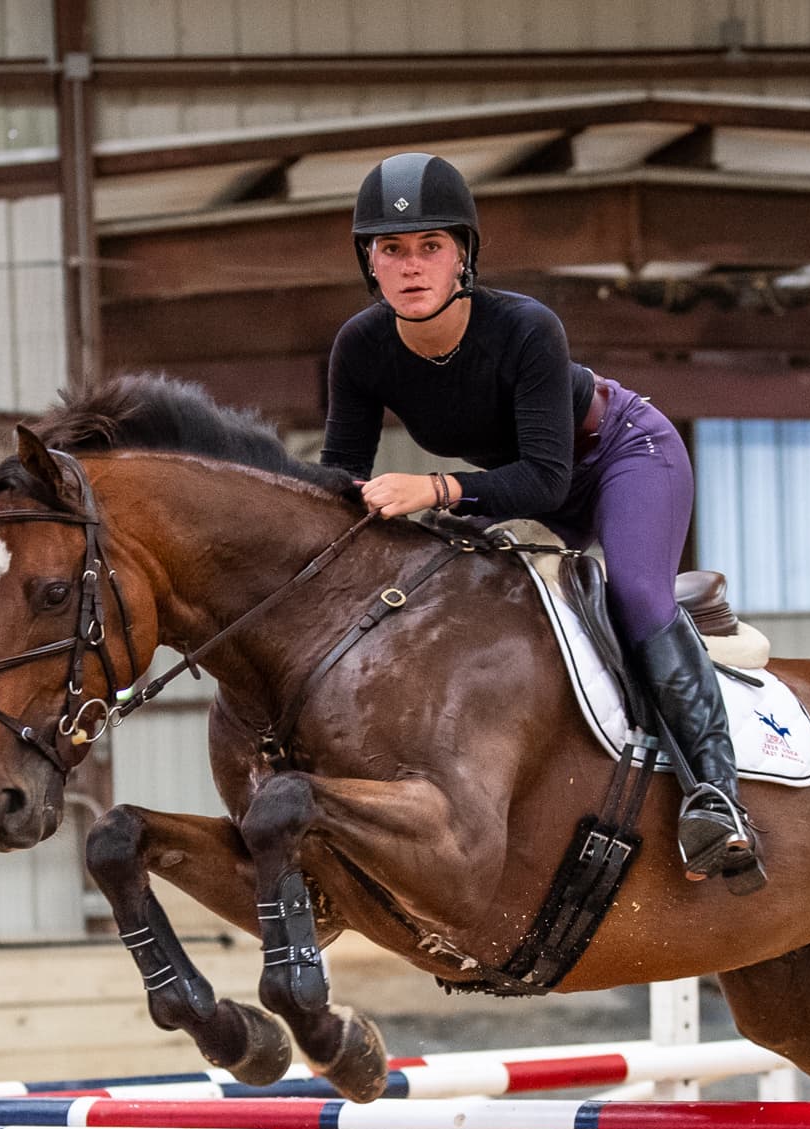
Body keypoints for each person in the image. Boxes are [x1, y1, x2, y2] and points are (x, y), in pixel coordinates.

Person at [320, 152, 760, 886]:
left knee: (634, 596)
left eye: (430, 245)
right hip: (512, 487)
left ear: (463, 254)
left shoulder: (525, 327)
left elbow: (546, 479)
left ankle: (717, 797)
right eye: (391, 248)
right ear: (369, 260)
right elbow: (340, 476)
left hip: (619, 455)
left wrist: (432, 488)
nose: (410, 265)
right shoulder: (360, 347)